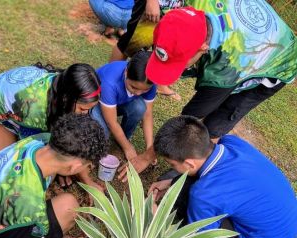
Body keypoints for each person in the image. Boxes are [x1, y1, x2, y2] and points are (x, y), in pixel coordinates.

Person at [121, 2, 297, 174]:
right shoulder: (181, 11)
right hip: (244, 34)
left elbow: (189, 117)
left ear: (203, 49)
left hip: (279, 59)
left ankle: (193, 172)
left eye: (178, 64)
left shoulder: (226, 65)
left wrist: (146, 156)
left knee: (218, 120)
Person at [148, 115, 297, 238]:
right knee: (185, 182)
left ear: (189, 163)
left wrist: (156, 218)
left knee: (187, 194)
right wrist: (170, 182)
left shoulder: (205, 195)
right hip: (282, 234)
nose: (171, 167)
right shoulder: (232, 142)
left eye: (172, 164)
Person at [0, 63, 102, 190]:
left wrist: (85, 180)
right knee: (0, 180)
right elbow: (48, 149)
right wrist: (62, 166)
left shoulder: (63, 85)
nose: (85, 115)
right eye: (82, 109)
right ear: (66, 99)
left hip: (20, 117)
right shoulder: (34, 108)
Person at [90, 51, 156, 181]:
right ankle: (123, 143)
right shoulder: (109, 82)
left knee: (140, 108)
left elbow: (147, 114)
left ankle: (122, 139)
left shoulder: (150, 82)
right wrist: (128, 147)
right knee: (103, 131)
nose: (138, 93)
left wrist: (150, 149)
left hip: (118, 101)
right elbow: (112, 122)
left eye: (144, 90)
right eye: (134, 87)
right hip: (97, 102)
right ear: (126, 73)